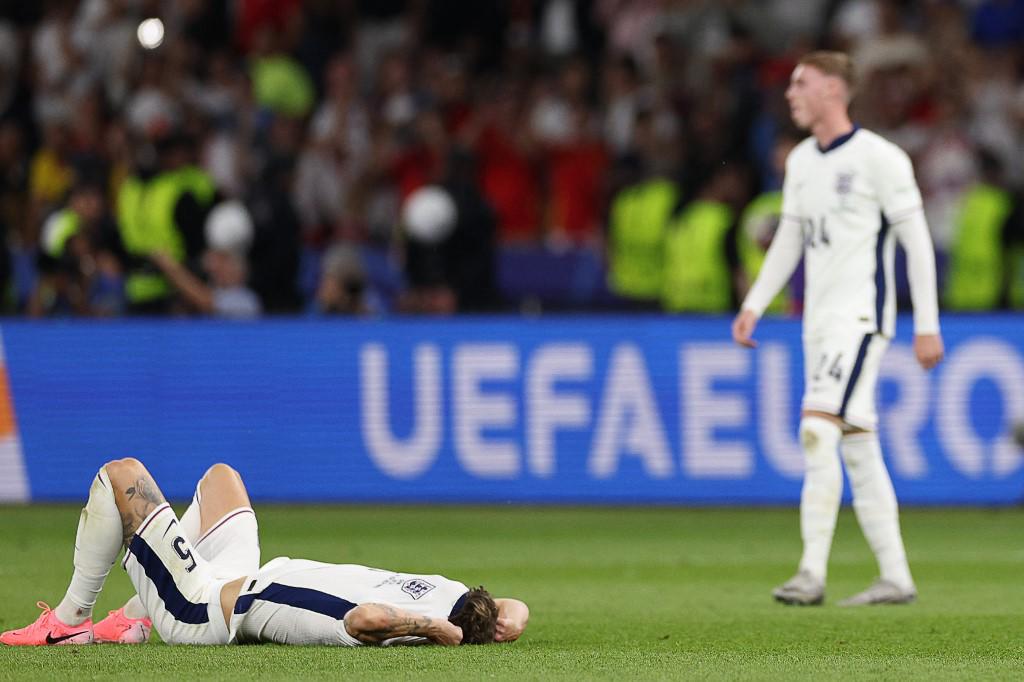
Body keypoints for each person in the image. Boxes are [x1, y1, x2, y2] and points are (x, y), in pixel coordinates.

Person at [731, 51, 944, 606]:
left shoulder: (882, 158)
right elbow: (790, 239)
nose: (790, 93)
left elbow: (916, 241)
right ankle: (896, 576)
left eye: (801, 84)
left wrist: (927, 323)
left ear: (833, 89)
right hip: (818, 323)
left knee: (815, 431)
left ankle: (810, 572)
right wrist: (756, 301)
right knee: (857, 444)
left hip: (861, 318)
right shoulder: (802, 160)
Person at [0, 459, 529, 647]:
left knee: (122, 475)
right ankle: (135, 619)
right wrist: (506, 616)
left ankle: (70, 619)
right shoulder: (455, 597)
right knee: (222, 479)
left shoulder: (406, 629)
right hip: (249, 576)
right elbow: (510, 610)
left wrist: (431, 629)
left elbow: (366, 617)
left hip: (206, 611)